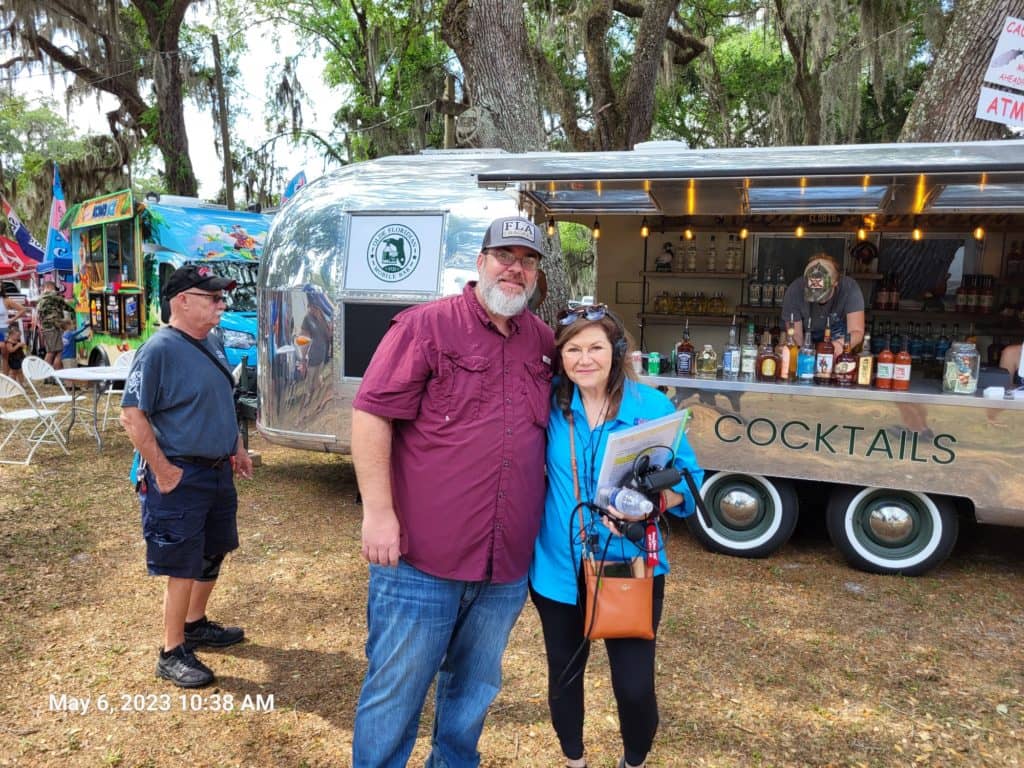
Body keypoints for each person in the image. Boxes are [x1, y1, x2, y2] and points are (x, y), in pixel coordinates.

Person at [350, 216, 555, 768]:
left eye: (528, 260)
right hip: (421, 560)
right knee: (396, 693)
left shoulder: (543, 342)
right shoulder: (426, 327)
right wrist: (378, 514)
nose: (515, 268)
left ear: (537, 274)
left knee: (472, 694)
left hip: (504, 570)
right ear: (480, 261)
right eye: (504, 255)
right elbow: (371, 416)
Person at [529, 304, 702, 768]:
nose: (585, 359)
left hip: (632, 568)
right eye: (573, 349)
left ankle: (634, 760)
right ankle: (574, 760)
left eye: (596, 347)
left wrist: (653, 503)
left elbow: (690, 481)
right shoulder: (545, 402)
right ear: (561, 356)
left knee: (634, 686)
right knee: (564, 679)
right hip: (558, 569)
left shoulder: (652, 407)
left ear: (617, 351)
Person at [119, 264, 253, 688]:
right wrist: (163, 470)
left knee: (213, 551)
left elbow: (220, 400)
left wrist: (236, 447)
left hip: (216, 471)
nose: (221, 305)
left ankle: (195, 624)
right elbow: (131, 414)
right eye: (212, 298)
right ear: (182, 301)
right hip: (180, 474)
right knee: (182, 563)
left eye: (221, 297)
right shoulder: (158, 349)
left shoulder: (211, 342)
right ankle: (171, 650)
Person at [780, 253, 865, 357]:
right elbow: (796, 335)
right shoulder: (795, 290)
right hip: (807, 341)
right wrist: (805, 355)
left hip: (839, 344)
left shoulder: (849, 288)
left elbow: (856, 331)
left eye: (822, 293)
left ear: (835, 282)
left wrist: (836, 347)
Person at [35, 280, 74, 367]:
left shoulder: (40, 298)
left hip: (46, 328)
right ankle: (53, 375)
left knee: (51, 351)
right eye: (54, 288)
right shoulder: (53, 295)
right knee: (57, 352)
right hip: (54, 327)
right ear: (49, 287)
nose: (55, 290)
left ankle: (47, 375)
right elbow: (68, 307)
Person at [0, 284, 27, 374]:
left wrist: (12, 319)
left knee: (5, 353)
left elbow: (22, 309)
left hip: (4, 329)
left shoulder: (5, 300)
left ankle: (5, 378)